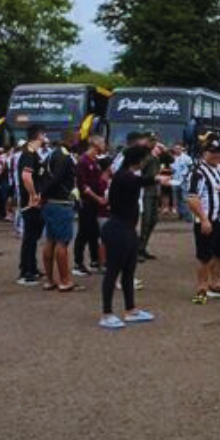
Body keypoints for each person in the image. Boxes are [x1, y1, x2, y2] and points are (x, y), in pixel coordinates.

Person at [99, 139, 157, 330]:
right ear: (138, 161)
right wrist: (157, 179)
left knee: (129, 271)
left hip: (128, 229)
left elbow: (139, 180)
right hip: (117, 229)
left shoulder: (128, 175)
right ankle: (106, 313)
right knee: (112, 272)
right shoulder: (123, 176)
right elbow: (138, 181)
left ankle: (130, 310)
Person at [188, 140, 220, 303]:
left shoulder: (219, 168)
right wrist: (204, 219)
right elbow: (193, 198)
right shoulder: (198, 173)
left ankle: (215, 283)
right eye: (212, 152)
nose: (216, 155)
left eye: (218, 152)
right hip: (208, 220)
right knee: (204, 256)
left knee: (219, 254)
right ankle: (201, 288)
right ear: (204, 153)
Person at [36, 131, 79, 292]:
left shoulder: (50, 155)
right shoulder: (65, 157)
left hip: (49, 203)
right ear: (72, 139)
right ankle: (64, 280)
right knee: (62, 243)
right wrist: (43, 195)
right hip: (61, 202)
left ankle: (49, 280)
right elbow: (57, 180)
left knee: (50, 240)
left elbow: (41, 177)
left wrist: (42, 196)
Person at [15, 129, 46, 284]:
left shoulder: (32, 153)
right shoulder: (28, 153)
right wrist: (33, 195)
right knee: (30, 237)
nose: (45, 138)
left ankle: (31, 267)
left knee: (33, 237)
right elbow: (26, 176)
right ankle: (25, 271)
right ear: (38, 136)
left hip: (32, 201)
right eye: (43, 135)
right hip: (30, 202)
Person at [74, 134, 108, 275]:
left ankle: (95, 260)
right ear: (95, 144)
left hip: (96, 203)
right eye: (102, 143)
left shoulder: (94, 161)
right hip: (87, 202)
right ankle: (78, 263)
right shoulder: (83, 161)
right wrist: (97, 198)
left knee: (94, 233)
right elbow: (83, 186)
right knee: (83, 232)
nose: (105, 145)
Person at [137, 135, 166, 261]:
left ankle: (143, 247)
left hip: (155, 192)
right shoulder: (147, 158)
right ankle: (138, 249)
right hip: (146, 192)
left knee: (153, 220)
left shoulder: (157, 158)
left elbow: (170, 159)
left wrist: (163, 151)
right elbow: (139, 171)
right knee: (146, 221)